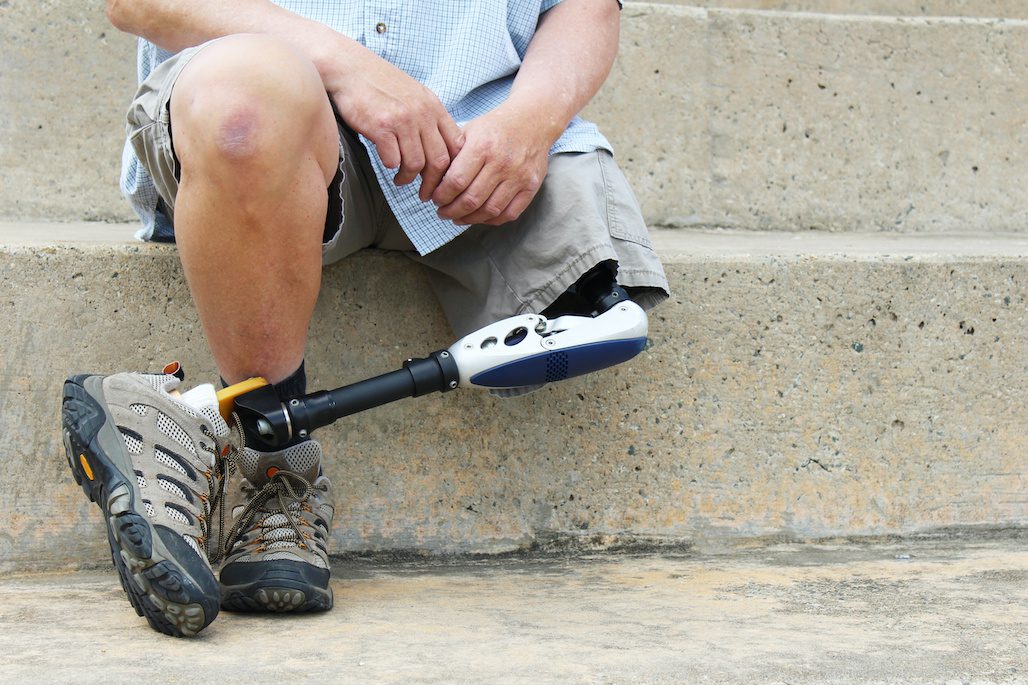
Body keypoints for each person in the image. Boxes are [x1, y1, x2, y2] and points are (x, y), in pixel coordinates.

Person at [62, 0, 670, 637]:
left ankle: (168, 420)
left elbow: (584, 7)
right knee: (241, 107)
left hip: (484, 146)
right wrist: (349, 68)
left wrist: (532, 123)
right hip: (276, 120)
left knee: (601, 316)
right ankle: (275, 467)